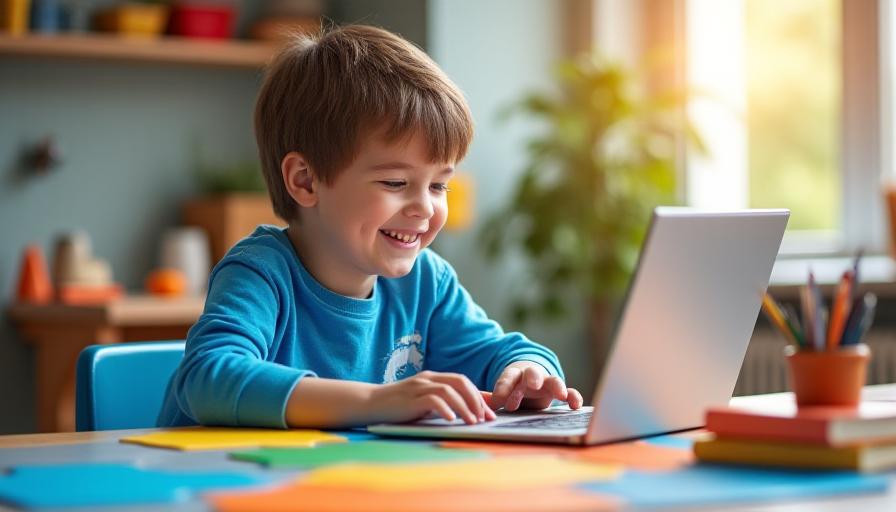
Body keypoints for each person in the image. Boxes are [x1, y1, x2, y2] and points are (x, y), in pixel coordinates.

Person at [158, 24, 583, 429]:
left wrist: (526, 371)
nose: (424, 207)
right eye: (396, 183)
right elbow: (208, 377)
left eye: (439, 185)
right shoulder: (262, 273)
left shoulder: (426, 282)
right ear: (305, 181)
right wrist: (376, 402)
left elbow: (499, 351)